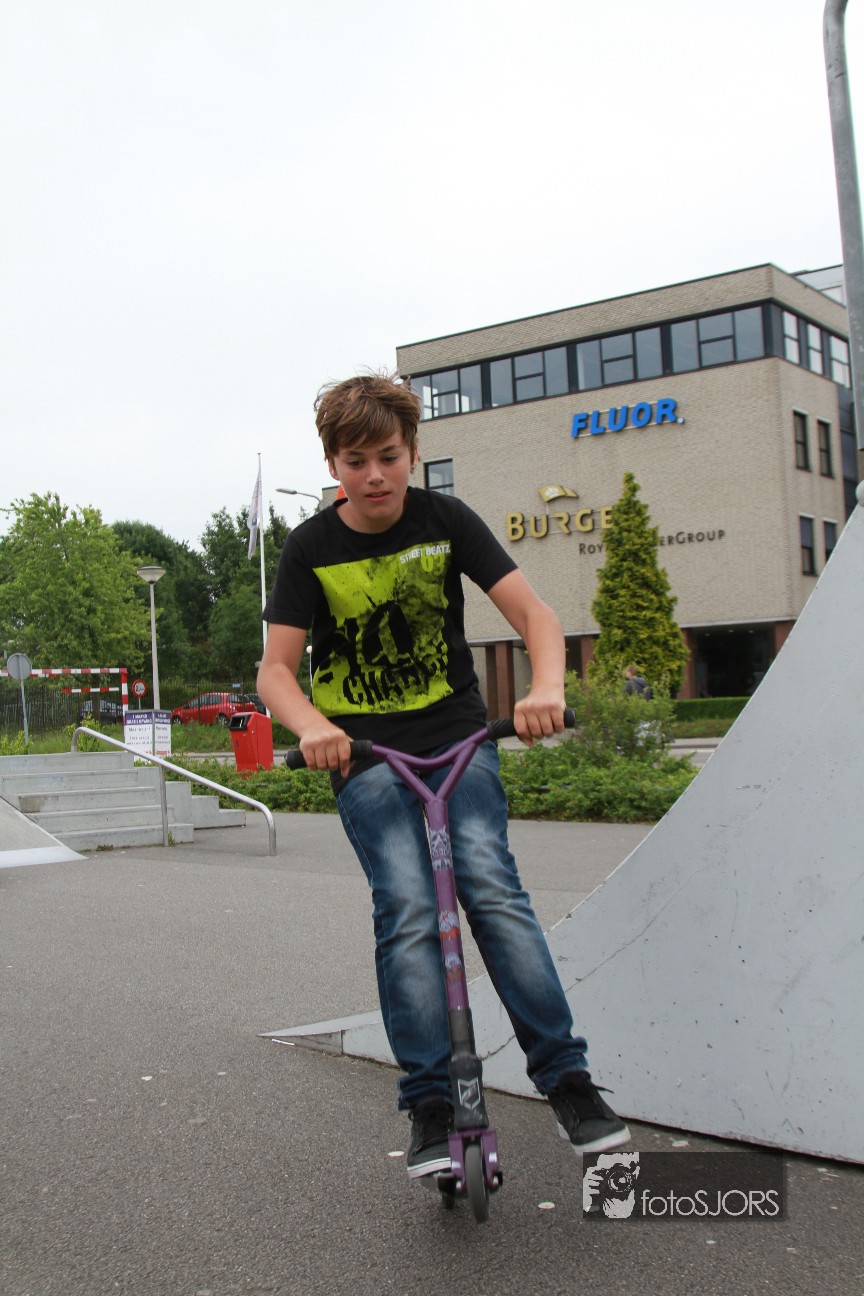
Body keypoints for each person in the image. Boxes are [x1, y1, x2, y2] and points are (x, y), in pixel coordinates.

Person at [257, 372, 630, 1179]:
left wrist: (545, 687)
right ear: (333, 465)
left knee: (489, 886)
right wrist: (315, 726)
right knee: (409, 906)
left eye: (389, 457)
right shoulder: (311, 548)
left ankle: (568, 1082)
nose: (375, 476)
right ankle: (430, 1101)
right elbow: (276, 672)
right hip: (365, 753)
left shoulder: (446, 520)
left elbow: (535, 617)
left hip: (458, 738)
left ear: (414, 451)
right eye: (356, 462)